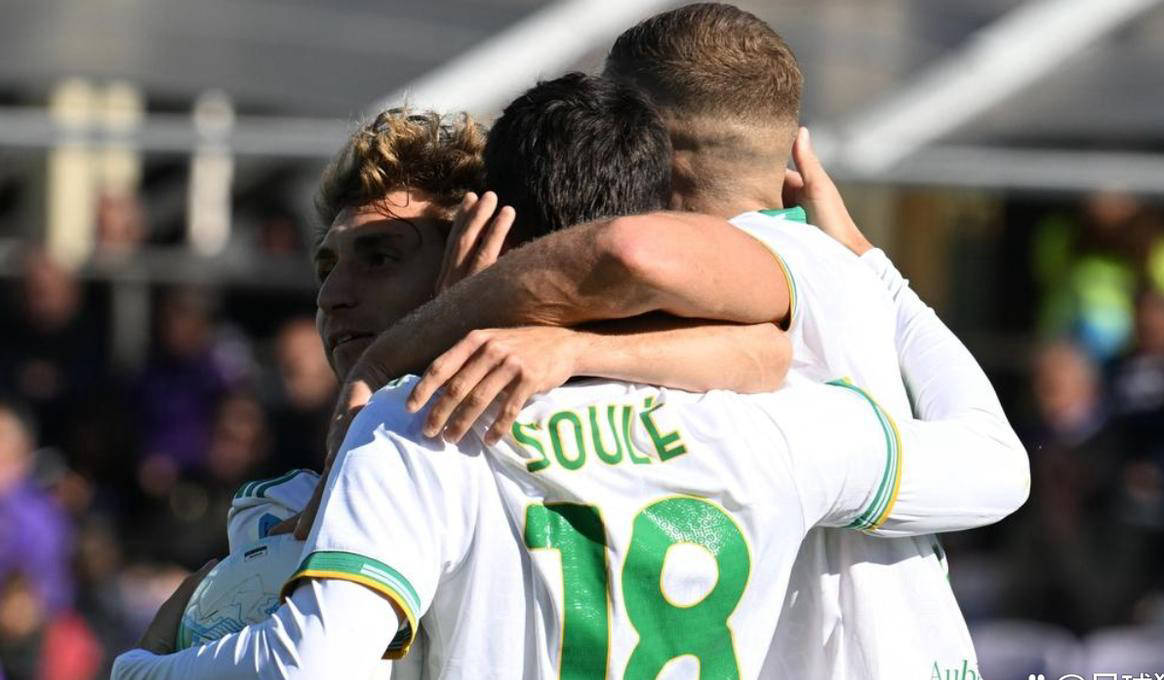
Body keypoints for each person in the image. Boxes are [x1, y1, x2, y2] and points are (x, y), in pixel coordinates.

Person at [113, 73, 1024, 680]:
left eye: (380, 256)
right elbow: (984, 464)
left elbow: (313, 663)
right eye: (325, 266)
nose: (334, 295)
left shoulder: (421, 433)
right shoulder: (764, 417)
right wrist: (871, 267)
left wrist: (141, 668)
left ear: (490, 246)